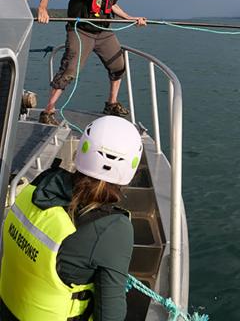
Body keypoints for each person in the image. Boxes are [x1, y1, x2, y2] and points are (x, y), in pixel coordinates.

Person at [0, 115, 143, 320]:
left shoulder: (39, 185)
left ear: (82, 150)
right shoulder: (112, 229)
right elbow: (110, 315)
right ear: (132, 166)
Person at [37, 0, 147, 126]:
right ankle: (48, 111)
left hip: (103, 30)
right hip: (81, 30)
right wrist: (43, 7)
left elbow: (110, 3)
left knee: (118, 65)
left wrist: (130, 18)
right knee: (69, 70)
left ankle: (111, 104)